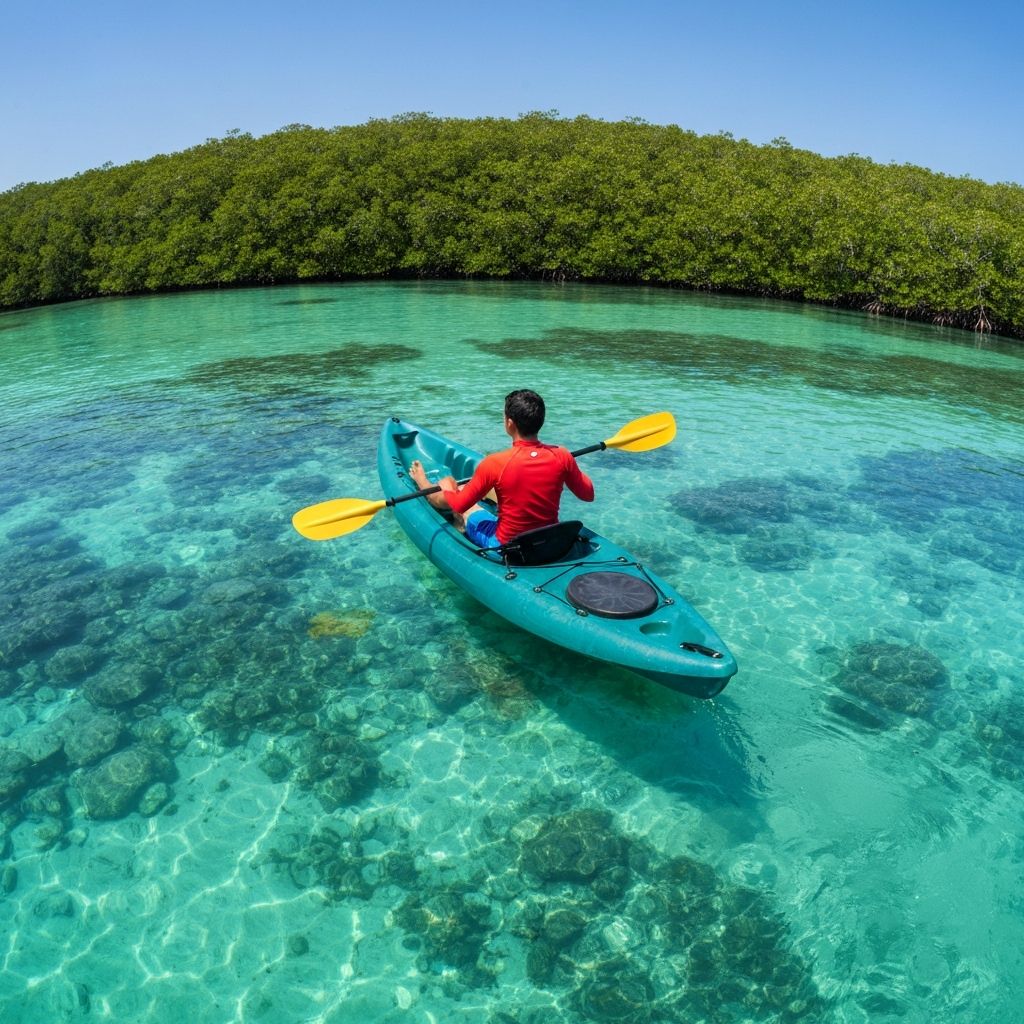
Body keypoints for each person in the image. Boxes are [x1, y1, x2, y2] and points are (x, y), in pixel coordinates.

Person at [408, 389, 595, 548]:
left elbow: (458, 504)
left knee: (461, 499)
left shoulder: (495, 463)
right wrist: (568, 465)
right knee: (491, 490)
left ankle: (457, 521)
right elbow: (588, 494)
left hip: (506, 547)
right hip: (549, 541)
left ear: (510, 423)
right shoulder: (562, 455)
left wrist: (440, 486)